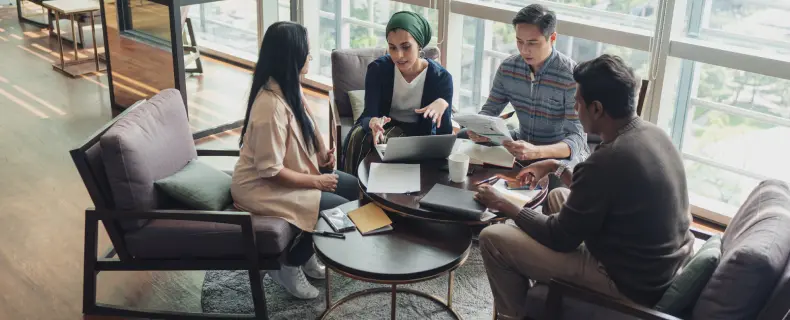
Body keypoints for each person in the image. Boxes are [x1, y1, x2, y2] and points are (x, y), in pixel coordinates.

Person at [474, 54, 695, 319]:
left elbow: (559, 237)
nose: (575, 110)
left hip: (625, 281)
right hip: (657, 265)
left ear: (597, 108)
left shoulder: (609, 158)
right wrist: (555, 164)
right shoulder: (652, 133)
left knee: (493, 237)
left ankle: (513, 316)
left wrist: (502, 203)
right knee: (558, 194)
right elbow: (601, 190)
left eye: (578, 103)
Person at [231, 21, 359, 300]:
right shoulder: (269, 107)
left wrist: (323, 156)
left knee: (355, 190)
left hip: (286, 175)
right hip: (261, 187)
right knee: (336, 211)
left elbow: (306, 130)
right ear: (292, 57)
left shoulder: (290, 87)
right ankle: (288, 265)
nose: (310, 58)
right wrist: (317, 180)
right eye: (307, 53)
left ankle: (306, 255)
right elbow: (269, 171)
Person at [459, 4, 588, 168]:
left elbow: (577, 138)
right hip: (522, 142)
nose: (524, 50)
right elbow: (489, 111)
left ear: (552, 38)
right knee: (463, 136)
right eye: (519, 42)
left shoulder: (570, 76)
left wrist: (537, 152)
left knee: (556, 180)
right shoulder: (508, 68)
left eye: (533, 43)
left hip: (557, 153)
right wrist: (480, 130)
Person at [340, 11, 454, 175]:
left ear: (420, 45)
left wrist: (444, 105)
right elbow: (367, 115)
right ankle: (356, 190)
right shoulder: (377, 70)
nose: (398, 55)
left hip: (417, 135)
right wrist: (372, 122)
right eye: (392, 48)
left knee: (389, 142)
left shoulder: (441, 79)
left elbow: (443, 137)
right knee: (361, 136)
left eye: (406, 47)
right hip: (385, 127)